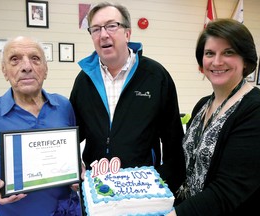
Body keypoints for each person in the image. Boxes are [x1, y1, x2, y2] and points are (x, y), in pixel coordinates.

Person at [69, 2, 185, 195]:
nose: (103, 34)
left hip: (143, 191)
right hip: (97, 190)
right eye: (96, 29)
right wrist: (73, 168)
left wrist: (163, 186)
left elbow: (174, 142)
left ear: (128, 33)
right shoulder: (84, 81)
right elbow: (71, 135)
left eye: (111, 26)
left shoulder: (155, 76)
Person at [0, 36, 81, 216]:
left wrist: (76, 169)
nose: (26, 66)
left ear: (45, 70)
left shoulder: (64, 106)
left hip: (66, 211)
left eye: (35, 58)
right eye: (15, 60)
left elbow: (71, 151)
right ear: (4, 71)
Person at [168, 19, 260, 216]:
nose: (217, 62)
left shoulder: (254, 109)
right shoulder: (203, 105)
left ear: (246, 59)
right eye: (210, 53)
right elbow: (183, 164)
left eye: (228, 52)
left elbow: (228, 190)